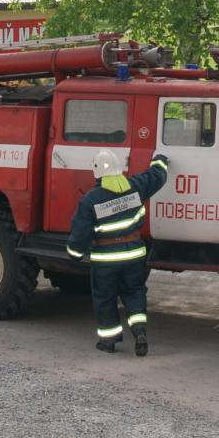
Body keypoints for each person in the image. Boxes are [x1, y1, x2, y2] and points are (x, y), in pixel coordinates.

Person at [67, 149, 170, 355]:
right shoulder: (136, 187)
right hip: (134, 254)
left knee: (105, 298)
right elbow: (157, 176)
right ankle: (140, 331)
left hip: (106, 259)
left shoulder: (91, 200)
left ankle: (109, 341)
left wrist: (75, 253)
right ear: (118, 168)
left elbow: (80, 234)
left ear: (96, 172)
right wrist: (161, 161)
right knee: (134, 292)